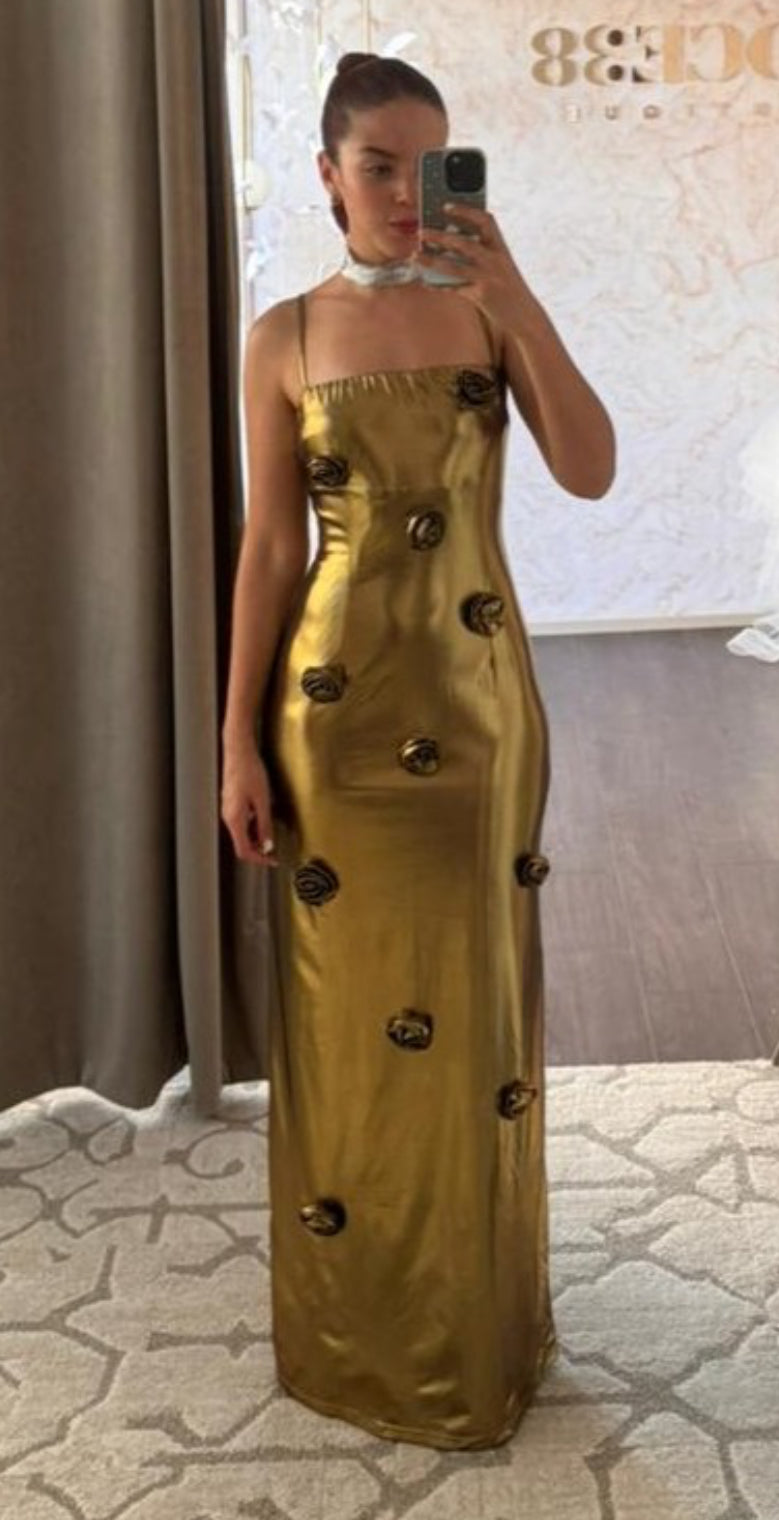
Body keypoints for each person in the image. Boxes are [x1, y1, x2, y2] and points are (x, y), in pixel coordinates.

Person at [220, 52, 616, 1450]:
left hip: (478, 708)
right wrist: (236, 739)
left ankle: (475, 1338)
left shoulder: (484, 311)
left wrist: (517, 296)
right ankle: (355, 1341)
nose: (403, 192)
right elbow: (271, 549)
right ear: (327, 175)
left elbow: (591, 468)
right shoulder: (282, 335)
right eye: (377, 165)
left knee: (476, 1023)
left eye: (429, 164)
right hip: (330, 725)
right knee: (340, 1025)